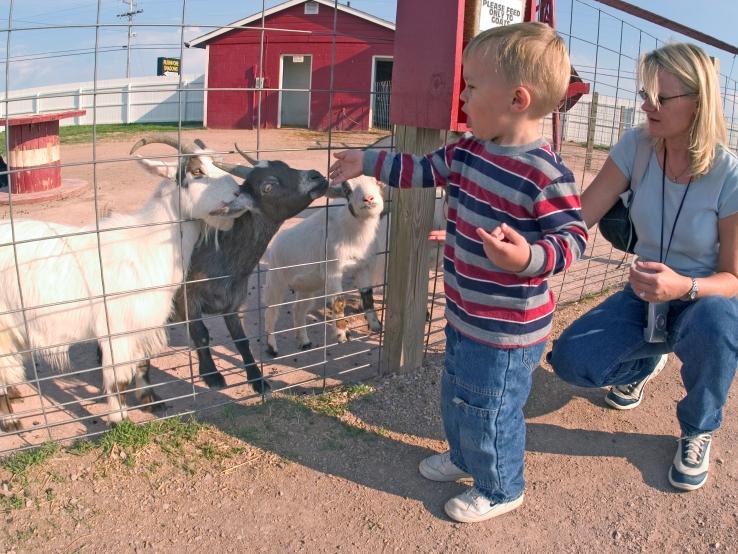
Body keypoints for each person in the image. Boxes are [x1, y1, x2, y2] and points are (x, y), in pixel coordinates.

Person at [329, 22, 587, 522]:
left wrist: (526, 258)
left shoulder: (546, 174)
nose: (461, 96)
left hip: (510, 327)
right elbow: (419, 171)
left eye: (471, 85)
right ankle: (466, 457)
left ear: (516, 98)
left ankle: (501, 486)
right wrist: (368, 160)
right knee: (456, 392)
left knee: (489, 406)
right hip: (467, 310)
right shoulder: (467, 151)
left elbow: (572, 239)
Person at [548, 42, 738, 491]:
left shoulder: (729, 175)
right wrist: (528, 247)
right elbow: (580, 218)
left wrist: (684, 287)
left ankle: (698, 427)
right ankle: (643, 365)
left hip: (701, 297)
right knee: (570, 362)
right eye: (644, 93)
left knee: (720, 326)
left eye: (659, 97)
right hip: (646, 292)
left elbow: (733, 279)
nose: (645, 104)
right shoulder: (637, 144)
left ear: (698, 101)